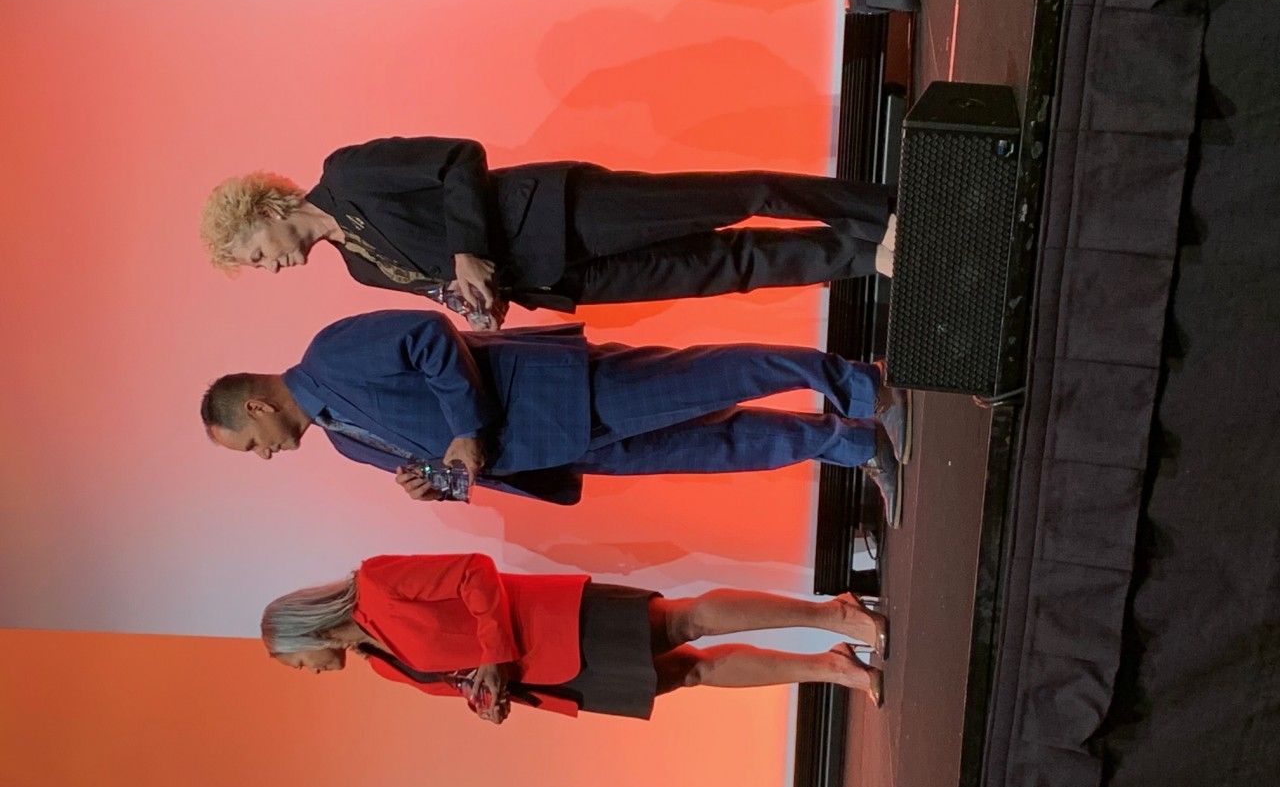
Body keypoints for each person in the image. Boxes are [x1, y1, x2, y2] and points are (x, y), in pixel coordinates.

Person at [199, 309, 913, 524]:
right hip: (555, 445)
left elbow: (429, 337)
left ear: (256, 405)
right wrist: (437, 484)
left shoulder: (328, 355)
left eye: (251, 445)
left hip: (555, 394)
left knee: (714, 376)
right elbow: (451, 455)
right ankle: (856, 445)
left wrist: (466, 432)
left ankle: (859, 385)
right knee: (717, 445)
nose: (265, 457)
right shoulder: (341, 441)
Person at [199, 136, 898, 328]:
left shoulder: (347, 174)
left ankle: (883, 212)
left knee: (737, 197)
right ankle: (871, 256)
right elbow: (452, 284)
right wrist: (477, 304)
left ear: (266, 212)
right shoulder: (358, 270)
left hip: (564, 211)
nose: (271, 269)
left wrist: (468, 250)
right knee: (727, 267)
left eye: (257, 256)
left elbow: (457, 160)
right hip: (557, 278)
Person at [261, 553, 890, 721]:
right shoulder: (380, 666)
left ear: (306, 630)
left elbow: (476, 573)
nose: (312, 672)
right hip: (553, 678)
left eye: (299, 663)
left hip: (557, 621)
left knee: (686, 621)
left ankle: (832, 616)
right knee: (690, 673)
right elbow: (464, 677)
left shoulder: (376, 583)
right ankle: (832, 669)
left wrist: (491, 655)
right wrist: (490, 698)